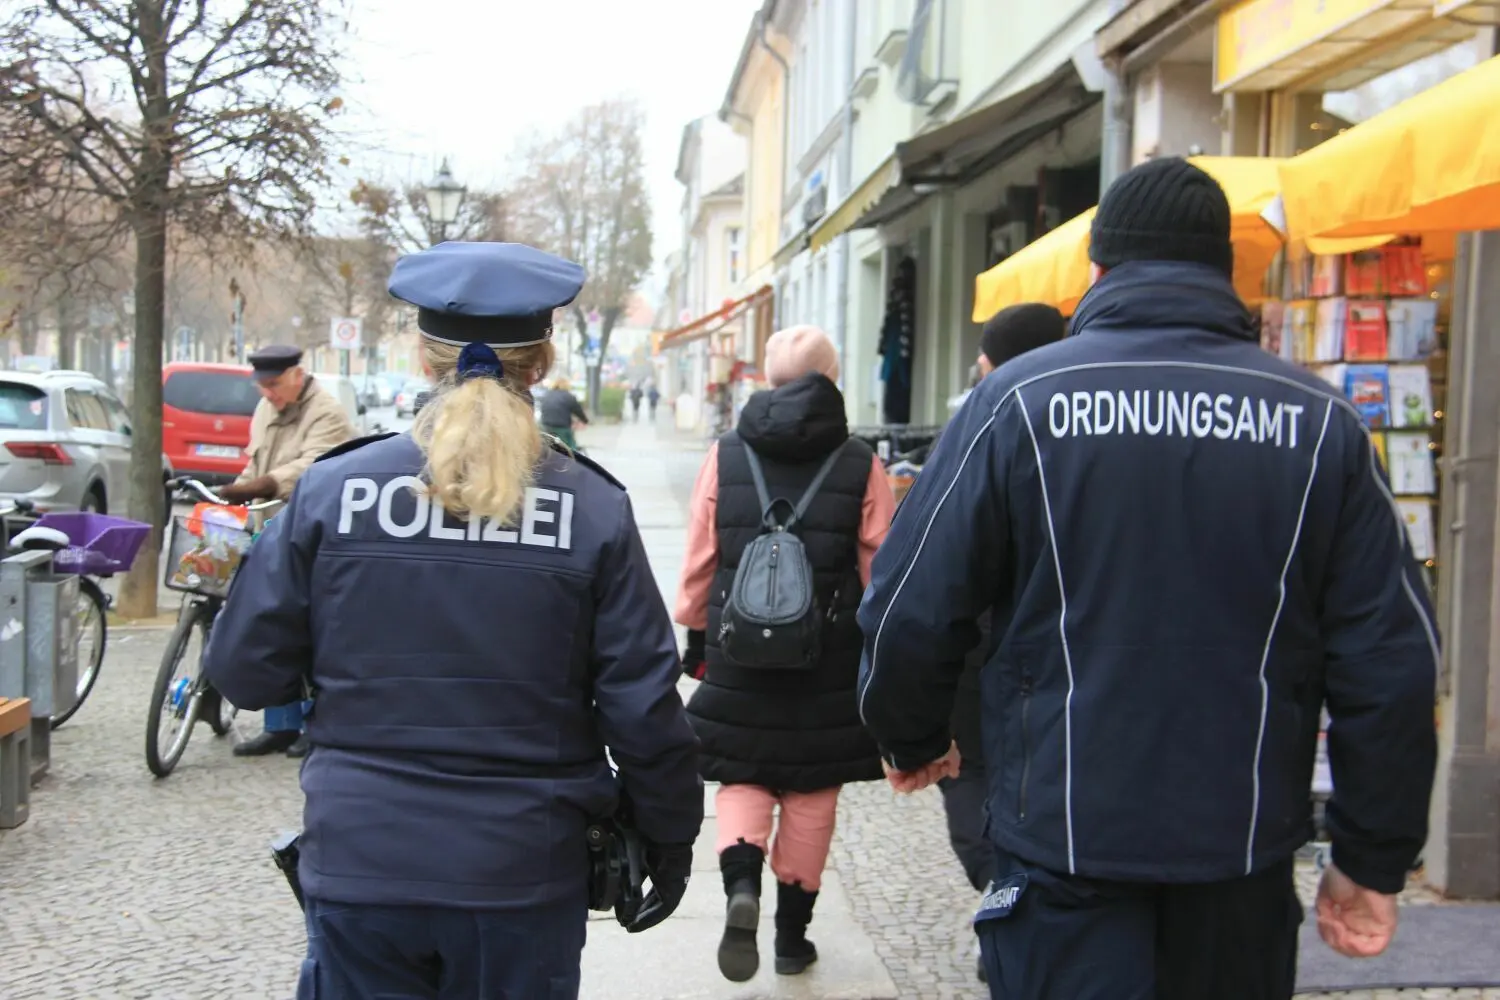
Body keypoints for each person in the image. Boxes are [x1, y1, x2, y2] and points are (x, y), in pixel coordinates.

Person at [856, 157, 1439, 999]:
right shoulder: (1322, 424)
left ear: (1097, 267)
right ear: (1223, 271)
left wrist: (911, 736)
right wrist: (1370, 857)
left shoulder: (1021, 400)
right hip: (1238, 855)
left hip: (1063, 843)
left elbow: (911, 604)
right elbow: (1392, 659)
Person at [203, 241, 704, 1000]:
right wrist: (670, 834)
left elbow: (245, 669)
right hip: (522, 872)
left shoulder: (334, 492)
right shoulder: (593, 509)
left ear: (422, 356)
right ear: (543, 360)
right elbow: (641, 705)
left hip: (363, 856)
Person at [676, 324, 895, 984]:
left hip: (738, 646)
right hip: (825, 655)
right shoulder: (860, 461)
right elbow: (881, 569)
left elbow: (700, 553)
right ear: (831, 378)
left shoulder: (727, 452)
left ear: (769, 377)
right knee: (811, 787)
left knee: (742, 773)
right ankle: (792, 940)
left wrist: (693, 630)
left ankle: (740, 885)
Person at [924, 303, 1066, 984]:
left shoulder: (982, 421)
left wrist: (907, 725)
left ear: (985, 363)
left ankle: (1005, 899)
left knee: (971, 774)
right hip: (1065, 658)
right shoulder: (1081, 424)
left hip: (982, 651)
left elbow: (923, 578)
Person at [218, 345, 356, 759]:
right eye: (262, 386)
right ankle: (278, 725)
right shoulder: (267, 409)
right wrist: (236, 491)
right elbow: (254, 465)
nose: (269, 394)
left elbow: (314, 469)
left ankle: (315, 722)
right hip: (270, 530)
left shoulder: (326, 413)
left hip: (309, 536)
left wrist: (265, 484)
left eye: (275, 385)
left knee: (308, 629)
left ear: (298, 375)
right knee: (267, 625)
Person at [539, 376, 588, 449]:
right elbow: (578, 411)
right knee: (570, 447)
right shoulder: (569, 396)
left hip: (545, 426)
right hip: (562, 427)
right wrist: (585, 420)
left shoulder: (547, 395)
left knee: (549, 447)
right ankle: (572, 457)